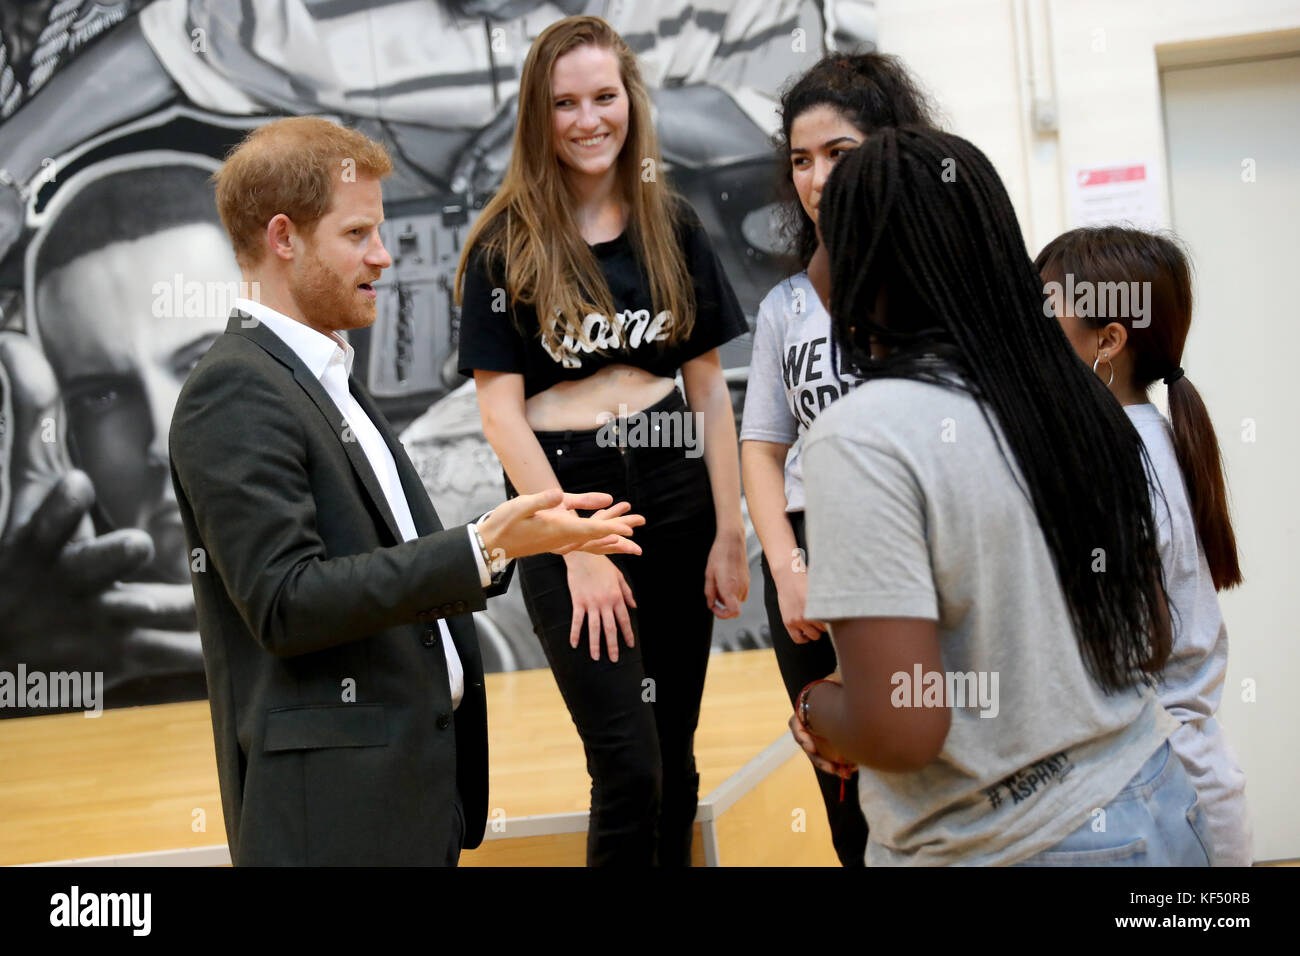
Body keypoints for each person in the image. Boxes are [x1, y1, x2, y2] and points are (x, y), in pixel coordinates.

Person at [169, 116, 644, 866]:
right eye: (358, 235)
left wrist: (494, 544)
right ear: (284, 238)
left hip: (405, 807)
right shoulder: (234, 391)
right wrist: (481, 548)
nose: (384, 257)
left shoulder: (323, 380)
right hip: (335, 823)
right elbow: (286, 602)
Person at [791, 126, 1210, 866]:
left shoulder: (860, 437)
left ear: (865, 261)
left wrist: (819, 708)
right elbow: (1150, 634)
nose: (816, 259)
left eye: (828, 237)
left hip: (1015, 846)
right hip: (1162, 807)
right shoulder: (1078, 394)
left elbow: (899, 726)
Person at [456, 15, 749, 866]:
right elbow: (500, 415)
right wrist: (576, 545)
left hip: (677, 493)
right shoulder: (504, 246)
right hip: (567, 500)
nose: (589, 120)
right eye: (564, 103)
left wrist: (732, 530)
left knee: (676, 757)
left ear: (631, 102)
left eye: (604, 97)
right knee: (628, 766)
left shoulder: (675, 227)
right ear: (537, 118)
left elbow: (710, 398)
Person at [740, 51, 935, 867]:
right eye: (801, 161)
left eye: (839, 156)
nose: (818, 180)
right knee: (844, 796)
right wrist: (784, 566)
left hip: (910, 551)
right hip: (811, 562)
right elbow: (761, 445)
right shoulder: (785, 305)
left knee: (922, 771)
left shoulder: (934, 282)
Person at [1036, 225, 1252, 866]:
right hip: (1187, 786)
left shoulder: (1108, 461)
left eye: (1047, 313)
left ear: (1108, 342)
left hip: (1158, 801)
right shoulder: (1149, 433)